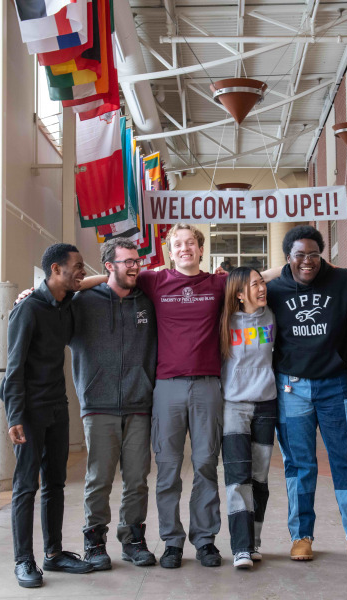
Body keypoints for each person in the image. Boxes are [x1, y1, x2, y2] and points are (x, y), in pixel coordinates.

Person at [78, 223, 227, 569]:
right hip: (166, 387)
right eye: (178, 243)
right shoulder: (154, 282)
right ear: (169, 252)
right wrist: (50, 288)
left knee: (205, 464)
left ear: (201, 249)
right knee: (168, 469)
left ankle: (205, 540)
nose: (185, 248)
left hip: (207, 385)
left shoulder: (219, 283)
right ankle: (171, 542)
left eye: (191, 242)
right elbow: (111, 277)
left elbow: (259, 279)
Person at [264, 225, 347, 561]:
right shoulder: (274, 287)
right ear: (289, 257)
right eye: (300, 255)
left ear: (321, 254)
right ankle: (301, 536)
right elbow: (239, 293)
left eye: (314, 254)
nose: (308, 261)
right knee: (299, 464)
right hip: (291, 387)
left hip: (336, 384)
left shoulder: (342, 280)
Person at [4, 243, 93, 588]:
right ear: (56, 270)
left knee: (55, 483)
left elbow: (85, 284)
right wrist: (14, 415)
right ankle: (23, 560)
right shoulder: (27, 309)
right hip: (28, 410)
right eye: (77, 266)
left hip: (57, 406)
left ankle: (53, 554)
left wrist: (87, 276)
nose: (82, 272)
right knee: (26, 485)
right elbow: (13, 367)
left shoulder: (63, 303)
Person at [69, 239, 158, 570]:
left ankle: (133, 539)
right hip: (99, 404)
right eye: (127, 262)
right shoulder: (83, 302)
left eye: (137, 261)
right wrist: (29, 294)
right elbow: (53, 296)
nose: (135, 266)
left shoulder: (147, 302)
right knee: (99, 478)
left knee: (137, 478)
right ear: (109, 266)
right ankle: (94, 543)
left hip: (139, 404)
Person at [219, 267, 277, 570]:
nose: (262, 288)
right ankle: (240, 547)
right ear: (239, 294)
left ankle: (254, 541)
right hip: (233, 406)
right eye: (254, 285)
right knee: (238, 478)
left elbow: (286, 269)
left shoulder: (271, 314)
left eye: (262, 282)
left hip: (266, 404)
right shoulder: (225, 320)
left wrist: (252, 276)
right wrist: (228, 278)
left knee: (260, 478)